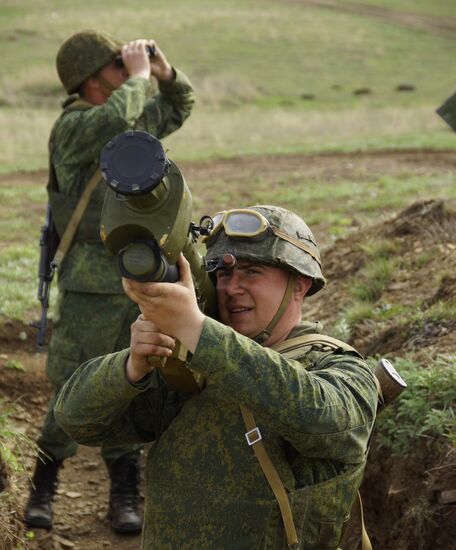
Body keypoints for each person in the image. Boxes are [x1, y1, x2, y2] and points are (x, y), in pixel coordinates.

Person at [54, 205, 378, 549]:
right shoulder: (192, 367)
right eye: (223, 275)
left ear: (300, 284)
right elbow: (77, 421)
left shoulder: (342, 370)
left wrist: (198, 331)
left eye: (252, 272)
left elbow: (318, 418)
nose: (232, 288)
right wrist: (132, 366)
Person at [25, 29, 195, 534]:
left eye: (128, 65)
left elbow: (180, 107)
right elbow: (115, 117)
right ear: (91, 79)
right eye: (118, 66)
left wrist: (163, 74)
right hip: (89, 283)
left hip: (141, 271)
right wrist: (139, 79)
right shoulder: (75, 127)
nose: (127, 69)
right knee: (74, 381)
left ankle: (125, 491)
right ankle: (42, 485)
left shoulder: (128, 115)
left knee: (134, 376)